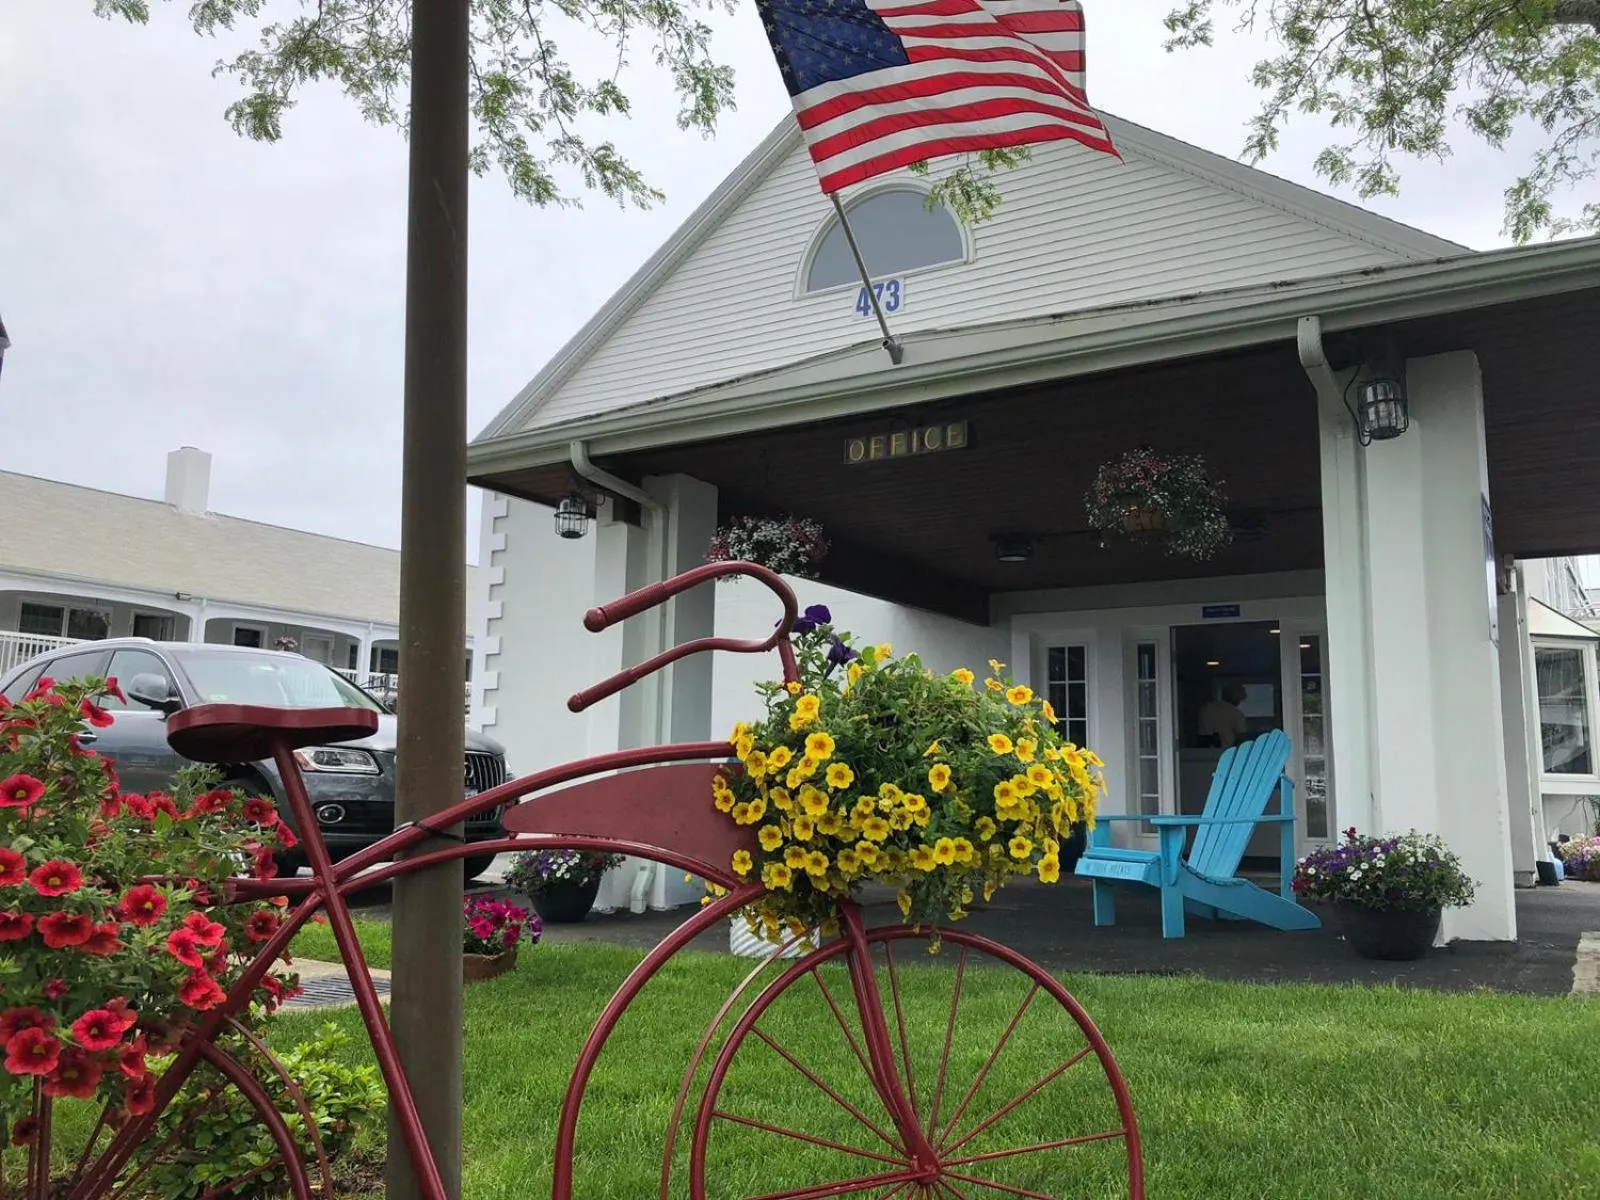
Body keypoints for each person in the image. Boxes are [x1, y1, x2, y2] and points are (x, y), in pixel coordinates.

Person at [1197, 682, 1249, 749]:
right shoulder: (1236, 713)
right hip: (1227, 751)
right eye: (1239, 699)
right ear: (1234, 697)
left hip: (1204, 752)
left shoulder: (1205, 709)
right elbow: (1242, 737)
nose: (1239, 703)